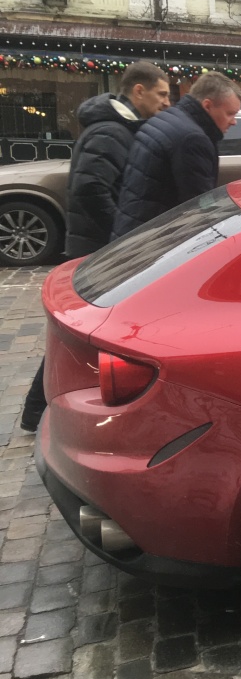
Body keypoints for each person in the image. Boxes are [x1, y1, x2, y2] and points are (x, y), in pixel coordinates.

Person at [20, 62, 171, 432]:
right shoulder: (109, 131)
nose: (167, 102)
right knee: (78, 338)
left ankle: (38, 411)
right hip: (97, 249)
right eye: (162, 94)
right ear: (138, 91)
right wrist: (122, 234)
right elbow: (90, 187)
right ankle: (37, 411)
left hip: (100, 246)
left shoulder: (120, 130)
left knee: (82, 337)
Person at [113, 72, 241, 240]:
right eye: (230, 113)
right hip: (154, 243)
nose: (234, 121)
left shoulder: (167, 119)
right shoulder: (192, 139)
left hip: (132, 233)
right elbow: (199, 205)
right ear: (207, 105)